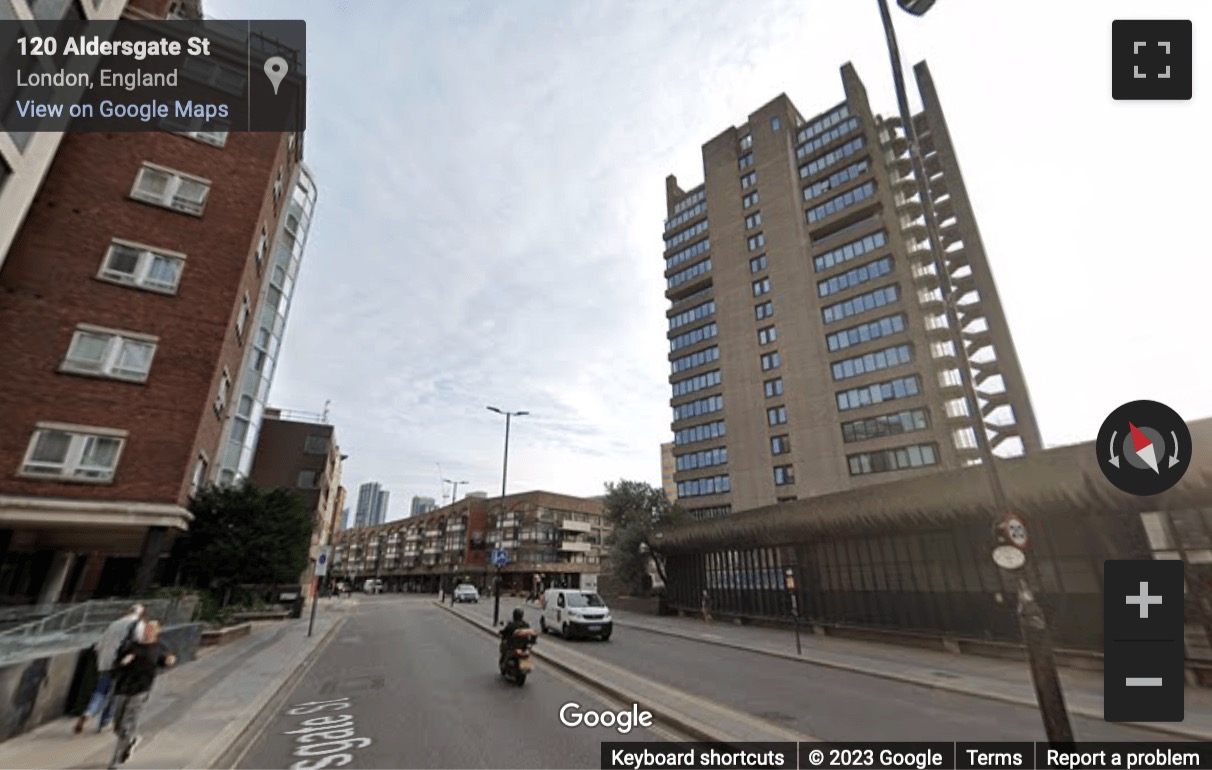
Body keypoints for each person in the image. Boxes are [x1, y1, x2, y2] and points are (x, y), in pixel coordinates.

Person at [108, 620, 176, 769]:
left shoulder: (160, 647)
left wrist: (168, 661)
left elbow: (165, 660)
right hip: (123, 687)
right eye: (147, 628)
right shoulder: (131, 646)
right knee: (117, 724)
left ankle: (117, 760)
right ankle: (131, 740)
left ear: (157, 631)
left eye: (152, 629)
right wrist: (123, 662)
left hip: (141, 689)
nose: (148, 631)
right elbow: (116, 663)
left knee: (127, 724)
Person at [76, 604, 145, 735]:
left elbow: (99, 645)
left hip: (105, 662)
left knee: (100, 691)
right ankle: (105, 722)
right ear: (141, 614)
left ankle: (89, 712)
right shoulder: (138, 625)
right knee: (115, 693)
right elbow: (139, 644)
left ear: (128, 611)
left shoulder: (114, 624)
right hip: (122, 664)